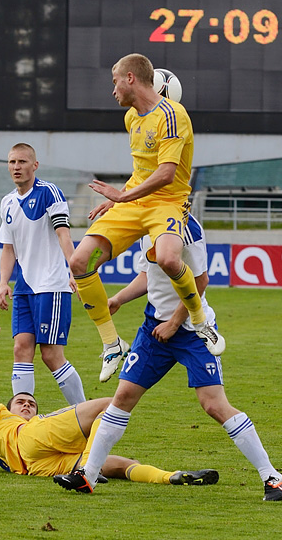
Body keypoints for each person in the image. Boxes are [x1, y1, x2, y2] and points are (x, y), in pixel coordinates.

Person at [55, 215, 282, 501]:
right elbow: (146, 275)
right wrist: (118, 299)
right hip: (153, 329)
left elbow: (200, 280)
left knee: (214, 404)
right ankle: (88, 476)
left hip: (192, 331)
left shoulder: (187, 228)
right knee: (123, 396)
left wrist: (175, 323)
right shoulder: (147, 222)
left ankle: (271, 476)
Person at [69, 53, 224, 383]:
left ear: (130, 79)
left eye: (114, 82)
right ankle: (112, 344)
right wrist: (118, 202)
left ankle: (199, 318)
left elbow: (166, 174)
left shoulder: (173, 115)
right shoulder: (131, 119)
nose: (112, 91)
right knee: (80, 262)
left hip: (166, 202)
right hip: (133, 203)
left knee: (168, 259)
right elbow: (142, 172)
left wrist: (122, 196)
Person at [0, 310, 219, 490]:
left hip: (39, 467)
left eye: (31, 403)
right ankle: (87, 472)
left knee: (124, 466)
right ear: (6, 409)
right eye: (21, 402)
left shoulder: (8, 432)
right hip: (29, 439)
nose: (28, 404)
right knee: (110, 404)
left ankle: (170, 477)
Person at [0, 143, 85, 405]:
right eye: (12, 162)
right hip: (24, 287)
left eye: (22, 162)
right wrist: (3, 282)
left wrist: (75, 271)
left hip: (52, 284)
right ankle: (21, 420)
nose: (16, 167)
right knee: (20, 348)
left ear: (35, 165)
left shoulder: (49, 193)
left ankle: (84, 414)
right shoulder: (7, 202)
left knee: (51, 355)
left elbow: (63, 235)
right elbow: (8, 248)